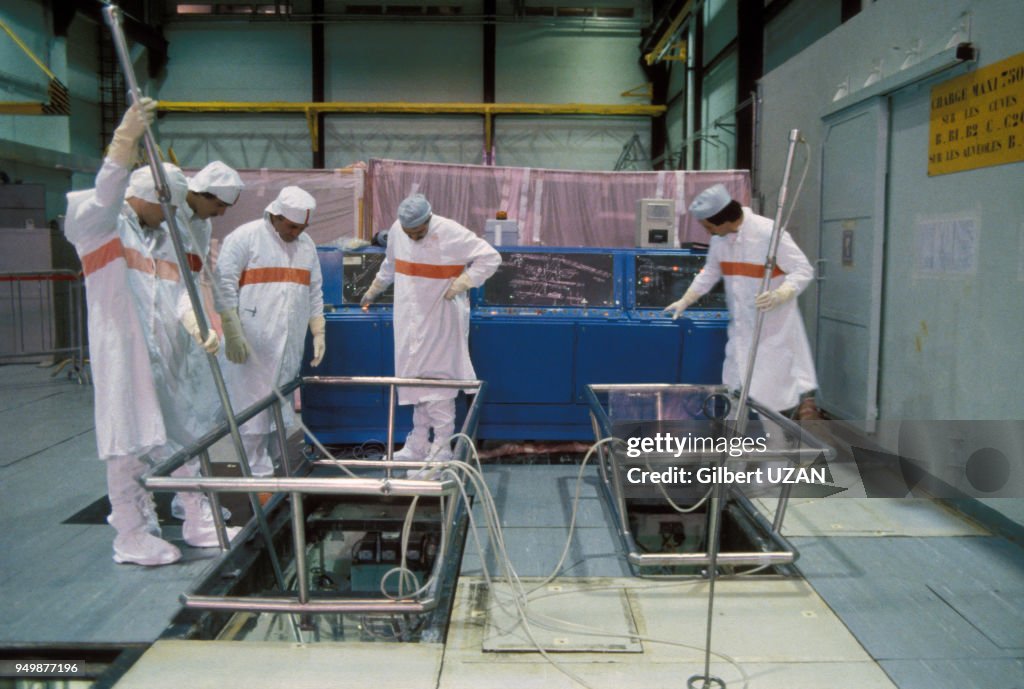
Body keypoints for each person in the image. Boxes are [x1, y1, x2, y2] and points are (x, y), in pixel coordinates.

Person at [64, 101, 236, 566]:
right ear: (144, 197)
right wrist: (125, 142)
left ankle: (199, 516)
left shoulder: (162, 239)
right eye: (167, 208)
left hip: (169, 355)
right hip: (125, 355)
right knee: (129, 444)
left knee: (188, 434)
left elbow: (179, 291)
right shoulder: (100, 227)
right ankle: (132, 533)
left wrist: (197, 321)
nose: (171, 218)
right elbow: (106, 193)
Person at [360, 193, 501, 466]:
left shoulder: (451, 232)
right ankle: (419, 443)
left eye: (418, 232)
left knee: (439, 382)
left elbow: (490, 257)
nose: (413, 236)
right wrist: (374, 289)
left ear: (429, 219)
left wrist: (463, 282)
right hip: (408, 317)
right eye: (408, 232)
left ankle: (441, 447)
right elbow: (389, 266)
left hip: (441, 317)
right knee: (414, 380)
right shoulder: (400, 231)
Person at [663, 184, 817, 413]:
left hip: (772, 334)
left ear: (722, 220)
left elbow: (803, 269)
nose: (707, 232)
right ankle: (733, 446)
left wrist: (781, 294)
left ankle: (779, 446)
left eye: (708, 226)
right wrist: (686, 299)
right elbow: (710, 273)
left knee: (771, 406)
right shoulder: (720, 241)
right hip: (740, 335)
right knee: (734, 397)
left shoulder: (769, 234)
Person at [215, 186, 326, 479]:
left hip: (288, 343)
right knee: (252, 411)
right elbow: (223, 283)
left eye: (303, 227)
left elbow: (314, 289)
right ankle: (257, 476)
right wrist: (232, 328)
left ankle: (278, 469)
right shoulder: (245, 238)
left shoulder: (306, 245)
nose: (296, 232)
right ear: (275, 215)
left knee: (280, 409)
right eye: (292, 226)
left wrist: (318, 328)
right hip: (251, 344)